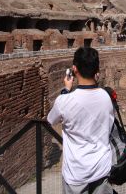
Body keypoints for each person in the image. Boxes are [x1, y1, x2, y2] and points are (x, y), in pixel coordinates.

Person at [47, 47, 115, 194]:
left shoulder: (64, 101)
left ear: (74, 69)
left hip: (76, 172)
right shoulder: (106, 97)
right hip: (101, 167)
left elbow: (51, 120)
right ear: (97, 70)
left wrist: (66, 90)